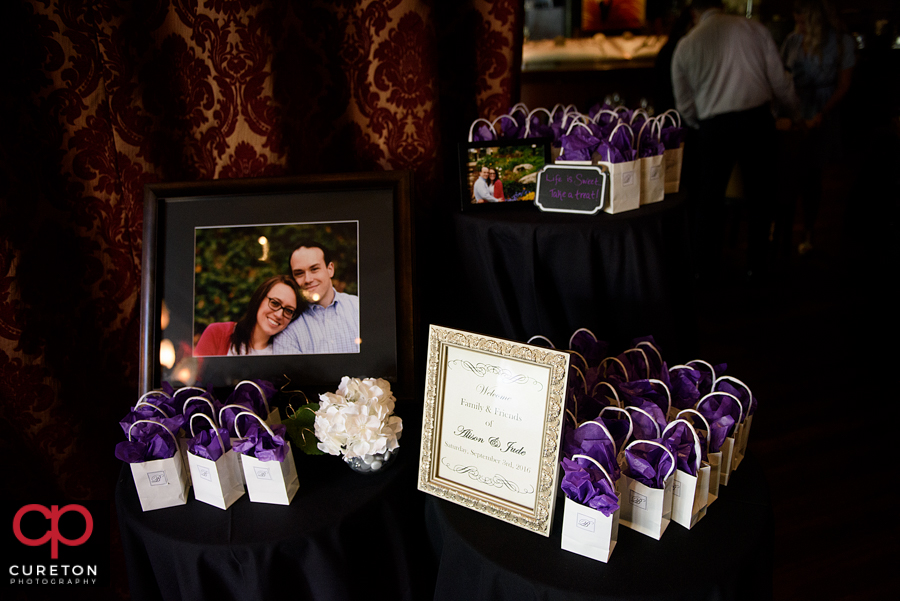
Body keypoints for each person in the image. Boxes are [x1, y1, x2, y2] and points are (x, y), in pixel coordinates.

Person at [671, 0, 802, 282]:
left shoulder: (686, 44)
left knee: (709, 199)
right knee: (761, 196)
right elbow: (779, 81)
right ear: (722, 5)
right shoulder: (753, 28)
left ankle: (704, 270)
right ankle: (757, 266)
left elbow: (683, 103)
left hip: (714, 124)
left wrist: (702, 122)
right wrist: (794, 112)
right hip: (757, 120)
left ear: (693, 13)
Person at [781, 0, 854, 254]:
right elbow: (782, 76)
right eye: (796, 21)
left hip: (823, 109)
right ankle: (781, 230)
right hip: (794, 110)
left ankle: (809, 231)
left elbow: (844, 85)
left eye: (803, 21)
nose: (798, 26)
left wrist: (823, 112)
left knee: (813, 174)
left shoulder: (841, 42)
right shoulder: (792, 41)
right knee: (788, 172)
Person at [273, 242, 360, 354]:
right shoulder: (287, 327)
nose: (308, 279)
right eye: (299, 273)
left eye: (314, 269)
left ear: (330, 269)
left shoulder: (358, 308)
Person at [195, 275, 303, 356]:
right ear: (259, 299)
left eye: (289, 311)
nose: (279, 315)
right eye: (275, 303)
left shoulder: (284, 352)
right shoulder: (218, 333)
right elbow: (193, 381)